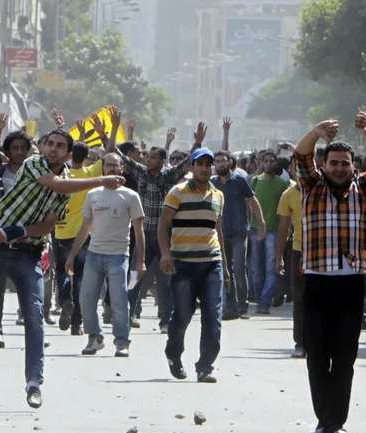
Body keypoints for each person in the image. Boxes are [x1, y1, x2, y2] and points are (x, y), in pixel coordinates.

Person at [0, 128, 125, 409]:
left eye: (60, 146)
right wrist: (101, 179)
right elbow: (56, 185)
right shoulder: (34, 163)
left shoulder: (66, 186)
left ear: (67, 152)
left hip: (29, 254)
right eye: (50, 143)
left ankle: (34, 383)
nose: (53, 149)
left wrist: (14, 231)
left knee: (34, 317)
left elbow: (47, 226)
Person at [293, 110, 366, 433]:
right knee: (318, 355)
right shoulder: (310, 186)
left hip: (352, 283)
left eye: (344, 163)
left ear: (353, 166)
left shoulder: (365, 189)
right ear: (325, 165)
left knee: (345, 356)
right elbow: (301, 155)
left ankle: (336, 421)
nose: (338, 168)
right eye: (333, 162)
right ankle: (324, 421)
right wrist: (316, 131)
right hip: (317, 281)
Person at [107, 111, 205, 332]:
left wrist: (197, 142)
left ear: (161, 161)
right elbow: (117, 155)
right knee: (134, 277)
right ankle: (128, 317)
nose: (147, 159)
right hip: (142, 234)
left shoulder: (167, 176)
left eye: (152, 157)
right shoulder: (141, 173)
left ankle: (165, 321)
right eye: (147, 157)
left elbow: (187, 162)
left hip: (163, 236)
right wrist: (111, 131)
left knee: (166, 281)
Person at [66, 153, 145, 357]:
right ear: (102, 168)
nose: (111, 169)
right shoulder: (93, 195)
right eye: (107, 165)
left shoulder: (130, 196)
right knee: (86, 299)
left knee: (119, 301)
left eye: (115, 165)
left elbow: (139, 231)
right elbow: (85, 228)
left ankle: (121, 341)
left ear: (122, 169)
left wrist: (141, 262)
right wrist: (72, 255)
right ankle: (94, 338)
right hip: (94, 254)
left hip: (118, 255)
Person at [159, 148, 228, 383]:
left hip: (211, 264)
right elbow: (163, 225)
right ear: (192, 167)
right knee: (182, 315)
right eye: (200, 164)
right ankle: (173, 354)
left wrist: (225, 267)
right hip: (183, 264)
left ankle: (205, 366)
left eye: (209, 164)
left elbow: (217, 230)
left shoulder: (218, 195)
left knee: (212, 316)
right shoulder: (177, 193)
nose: (205, 168)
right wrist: (165, 254)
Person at [55, 118, 103, 336]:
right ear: (86, 159)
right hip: (83, 235)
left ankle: (64, 299)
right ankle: (77, 324)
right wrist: (101, 134)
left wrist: (73, 134)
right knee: (81, 277)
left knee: (63, 271)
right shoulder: (89, 174)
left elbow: (67, 153)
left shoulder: (60, 175)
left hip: (60, 232)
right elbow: (108, 151)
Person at [0, 128, 31, 348]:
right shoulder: (0, 172)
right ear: (7, 151)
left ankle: (34, 330)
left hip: (26, 237)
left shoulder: (35, 173)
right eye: (15, 148)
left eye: (23, 148)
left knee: (29, 287)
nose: (19, 152)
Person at [211, 150, 265, 320]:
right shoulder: (212, 183)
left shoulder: (240, 180)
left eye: (223, 161)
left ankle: (243, 307)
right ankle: (230, 307)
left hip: (239, 231)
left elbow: (253, 201)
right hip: (220, 233)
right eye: (217, 161)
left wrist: (261, 223)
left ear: (230, 163)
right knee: (226, 271)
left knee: (240, 269)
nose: (220, 164)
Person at [249, 150, 289, 314]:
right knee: (257, 269)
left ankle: (265, 302)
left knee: (271, 268)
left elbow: (287, 208)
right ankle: (259, 299)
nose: (269, 164)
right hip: (255, 228)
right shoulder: (255, 182)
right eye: (266, 161)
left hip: (274, 230)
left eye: (272, 161)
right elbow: (249, 203)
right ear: (261, 163)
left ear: (275, 163)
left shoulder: (282, 184)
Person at [276, 157, 305, 358]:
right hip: (298, 251)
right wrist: (279, 258)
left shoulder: (324, 191)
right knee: (300, 299)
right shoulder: (288, 195)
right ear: (292, 170)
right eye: (297, 168)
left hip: (324, 252)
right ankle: (300, 343)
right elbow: (284, 229)